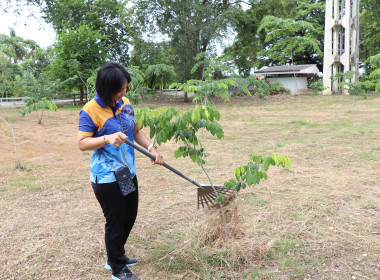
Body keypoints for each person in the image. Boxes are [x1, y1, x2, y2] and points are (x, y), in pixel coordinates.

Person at [77, 61, 163, 280]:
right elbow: (82, 143)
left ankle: (116, 255)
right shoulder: (90, 111)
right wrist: (107, 138)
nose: (124, 92)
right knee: (115, 222)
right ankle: (117, 268)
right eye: (120, 89)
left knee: (129, 217)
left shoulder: (124, 102)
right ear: (106, 89)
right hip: (106, 177)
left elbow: (135, 129)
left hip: (127, 172)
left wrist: (151, 148)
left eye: (125, 88)